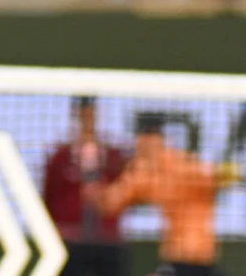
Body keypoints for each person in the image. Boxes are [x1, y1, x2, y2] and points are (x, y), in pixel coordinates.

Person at [91, 113, 227, 276]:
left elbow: (216, 177)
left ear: (159, 140)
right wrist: (97, 192)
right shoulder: (142, 172)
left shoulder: (185, 166)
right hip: (176, 259)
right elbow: (110, 204)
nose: (143, 146)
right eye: (141, 141)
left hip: (203, 259)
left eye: (148, 140)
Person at [41, 97, 129, 276]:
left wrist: (103, 195)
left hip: (107, 240)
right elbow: (48, 196)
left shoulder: (114, 157)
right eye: (83, 114)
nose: (88, 118)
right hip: (70, 241)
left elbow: (125, 194)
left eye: (91, 114)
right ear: (77, 116)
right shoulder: (60, 158)